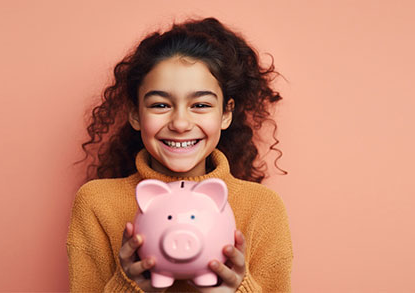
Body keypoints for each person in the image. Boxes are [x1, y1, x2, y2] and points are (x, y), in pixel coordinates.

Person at [67, 16, 293, 292]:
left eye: (200, 104)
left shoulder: (262, 208)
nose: (180, 123)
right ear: (135, 115)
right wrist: (127, 286)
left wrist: (239, 288)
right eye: (161, 105)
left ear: (226, 113)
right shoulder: (97, 203)